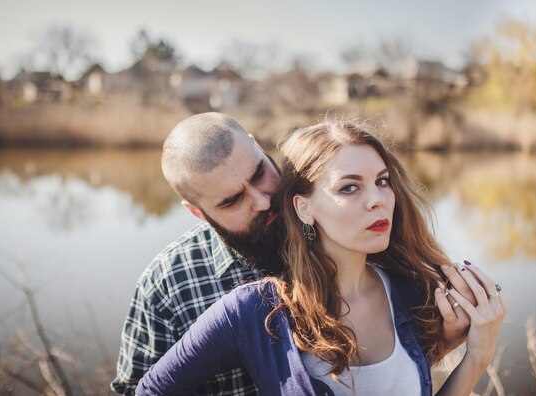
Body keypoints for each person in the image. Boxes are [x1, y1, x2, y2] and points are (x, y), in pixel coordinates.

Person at [134, 119, 506, 395]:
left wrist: (469, 352)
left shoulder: (407, 290)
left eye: (381, 180)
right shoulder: (237, 304)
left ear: (259, 148)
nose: (264, 201)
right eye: (232, 200)